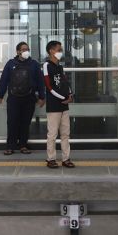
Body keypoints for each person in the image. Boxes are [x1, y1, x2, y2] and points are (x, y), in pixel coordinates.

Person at [0, 42, 45, 156]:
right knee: (12, 122)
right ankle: (10, 146)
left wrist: (42, 97)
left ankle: (23, 145)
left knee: (25, 122)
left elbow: (40, 82)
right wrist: (0, 95)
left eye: (27, 49)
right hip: (13, 98)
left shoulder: (34, 64)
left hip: (29, 98)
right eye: (23, 49)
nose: (26, 51)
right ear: (18, 51)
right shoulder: (10, 64)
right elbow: (4, 80)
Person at [43, 41, 75, 169]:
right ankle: (51, 159)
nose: (60, 51)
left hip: (64, 105)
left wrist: (70, 95)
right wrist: (63, 97)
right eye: (58, 49)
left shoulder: (60, 66)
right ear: (51, 51)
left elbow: (65, 82)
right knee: (52, 134)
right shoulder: (46, 65)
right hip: (54, 105)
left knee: (65, 133)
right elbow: (49, 87)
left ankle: (66, 159)